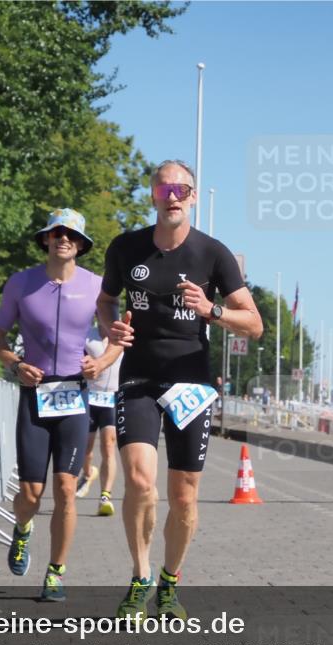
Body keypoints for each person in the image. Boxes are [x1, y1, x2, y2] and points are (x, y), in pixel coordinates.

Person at [98, 160, 263, 621]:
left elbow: (254, 324)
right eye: (164, 187)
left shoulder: (213, 254)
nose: (173, 195)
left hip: (191, 383)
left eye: (182, 189)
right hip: (138, 378)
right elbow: (106, 300)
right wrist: (111, 327)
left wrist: (213, 311)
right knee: (139, 481)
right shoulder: (126, 248)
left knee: (185, 496)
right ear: (152, 194)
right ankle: (140, 576)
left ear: (193, 197)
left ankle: (170, 582)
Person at [0, 208, 114, 602]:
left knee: (64, 487)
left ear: (80, 245)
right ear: (46, 239)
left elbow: (117, 339)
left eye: (72, 236)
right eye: (57, 233)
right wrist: (15, 365)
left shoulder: (97, 287)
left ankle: (56, 573)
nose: (64, 239)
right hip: (35, 393)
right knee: (30, 492)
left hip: (76, 396)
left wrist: (101, 363)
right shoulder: (21, 284)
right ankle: (22, 529)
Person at [78, 324, 123, 516]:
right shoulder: (87, 335)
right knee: (85, 449)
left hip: (112, 397)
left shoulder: (122, 334)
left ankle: (105, 496)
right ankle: (88, 473)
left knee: (108, 446)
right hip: (90, 397)